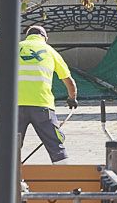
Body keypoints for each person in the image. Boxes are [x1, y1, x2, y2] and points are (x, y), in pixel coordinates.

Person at [15, 23, 78, 163]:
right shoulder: (50, 51)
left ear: (27, 36)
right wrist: (72, 98)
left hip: (15, 106)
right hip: (43, 106)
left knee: (10, 147)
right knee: (56, 146)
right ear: (45, 38)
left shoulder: (14, 48)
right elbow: (69, 82)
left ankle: (8, 181)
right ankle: (65, 179)